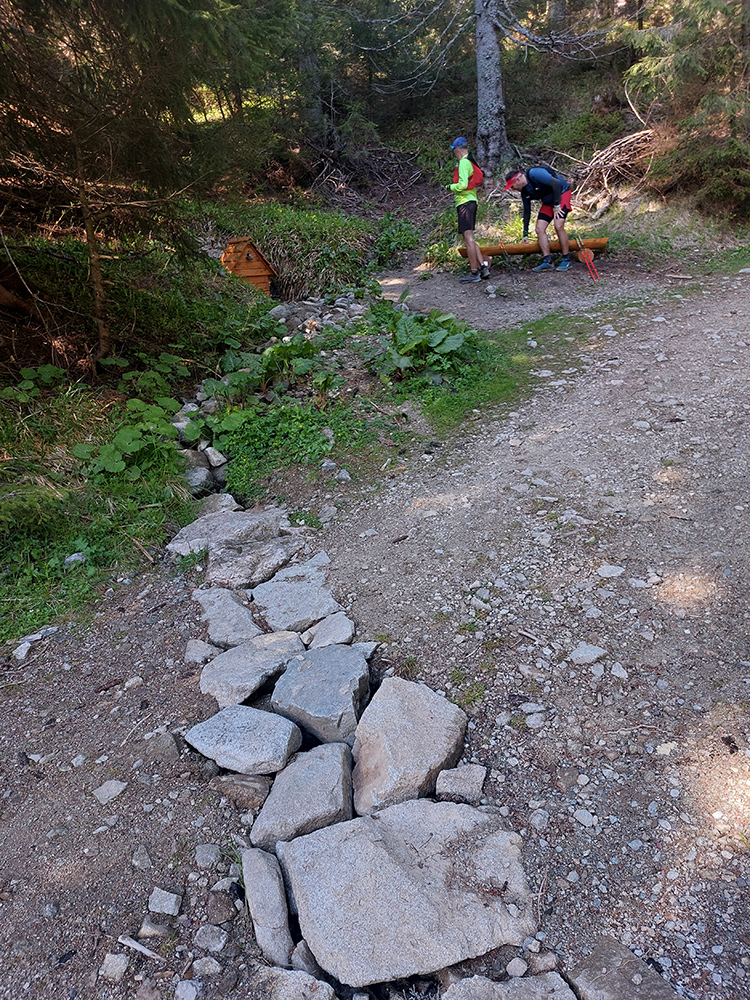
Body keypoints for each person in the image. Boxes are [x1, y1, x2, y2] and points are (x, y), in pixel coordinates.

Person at [503, 165, 572, 271]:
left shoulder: (535, 174)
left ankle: (566, 259)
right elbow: (527, 211)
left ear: (517, 180)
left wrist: (557, 205)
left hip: (561, 194)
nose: (513, 189)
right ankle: (547, 261)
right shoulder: (524, 191)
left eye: (512, 186)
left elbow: (556, 184)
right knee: (539, 229)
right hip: (549, 201)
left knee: (558, 225)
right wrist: (525, 233)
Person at [448, 137, 490, 283]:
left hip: (465, 203)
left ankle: (474, 273)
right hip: (471, 201)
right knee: (469, 238)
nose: (454, 152)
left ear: (457, 149)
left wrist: (450, 187)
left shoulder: (464, 163)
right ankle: (483, 268)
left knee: (468, 239)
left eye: (454, 149)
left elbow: (462, 185)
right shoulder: (470, 161)